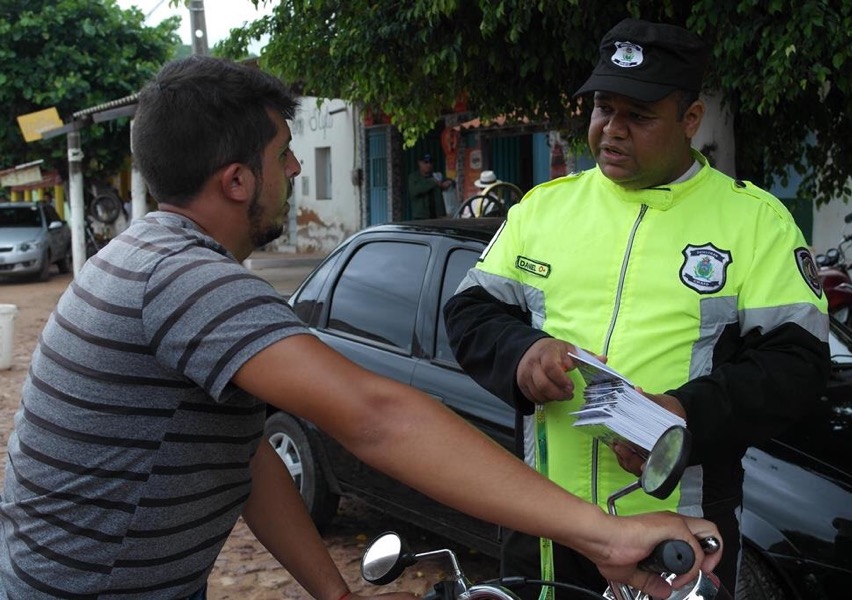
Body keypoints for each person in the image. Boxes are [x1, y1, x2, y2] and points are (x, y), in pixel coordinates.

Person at [0, 55, 721, 600]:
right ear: (237, 180)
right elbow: (377, 419)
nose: (292, 168)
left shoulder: (151, 257)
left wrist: (334, 594)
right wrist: (607, 532)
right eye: (283, 152)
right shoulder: (184, 279)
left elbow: (245, 457)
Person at [444, 17, 830, 600]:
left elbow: (795, 367)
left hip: (679, 535)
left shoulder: (756, 223)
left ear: (690, 120)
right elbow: (470, 311)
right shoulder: (542, 210)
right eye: (603, 108)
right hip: (546, 527)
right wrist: (522, 355)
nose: (611, 131)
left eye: (639, 116)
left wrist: (681, 416)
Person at [408, 153, 452, 219]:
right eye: (426, 162)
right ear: (419, 163)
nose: (428, 165)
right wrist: (433, 182)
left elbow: (449, 182)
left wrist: (448, 183)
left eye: (430, 162)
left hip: (438, 215)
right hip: (421, 216)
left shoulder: (437, 176)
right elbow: (415, 191)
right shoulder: (414, 177)